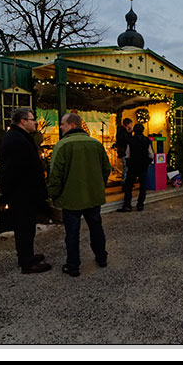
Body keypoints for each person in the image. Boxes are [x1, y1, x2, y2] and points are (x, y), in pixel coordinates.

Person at [46, 112, 112, 277]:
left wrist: (53, 195)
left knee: (72, 233)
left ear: (72, 125)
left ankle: (73, 265)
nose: (60, 126)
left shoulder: (62, 146)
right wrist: (98, 186)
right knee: (96, 228)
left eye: (62, 123)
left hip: (71, 199)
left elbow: (55, 175)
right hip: (92, 197)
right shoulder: (96, 144)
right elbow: (107, 168)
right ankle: (101, 257)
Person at [0, 108, 53, 274]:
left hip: (24, 193)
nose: (35, 122)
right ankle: (27, 262)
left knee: (27, 227)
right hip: (22, 194)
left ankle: (27, 256)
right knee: (24, 228)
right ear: (23, 121)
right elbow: (14, 170)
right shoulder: (16, 140)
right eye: (32, 119)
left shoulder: (18, 137)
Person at [118, 122, 154, 212]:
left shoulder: (130, 140)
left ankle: (127, 205)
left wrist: (129, 164)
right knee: (143, 186)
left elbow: (127, 154)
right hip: (143, 166)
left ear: (134, 130)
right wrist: (147, 163)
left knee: (128, 186)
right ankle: (140, 204)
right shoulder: (147, 140)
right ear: (143, 130)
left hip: (133, 166)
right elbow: (151, 154)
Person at [113, 117, 133, 184]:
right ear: (127, 124)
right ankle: (124, 182)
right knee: (126, 167)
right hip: (123, 151)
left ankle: (127, 181)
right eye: (130, 124)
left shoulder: (125, 131)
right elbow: (123, 141)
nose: (131, 125)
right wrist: (129, 133)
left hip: (127, 151)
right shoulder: (121, 131)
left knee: (128, 167)